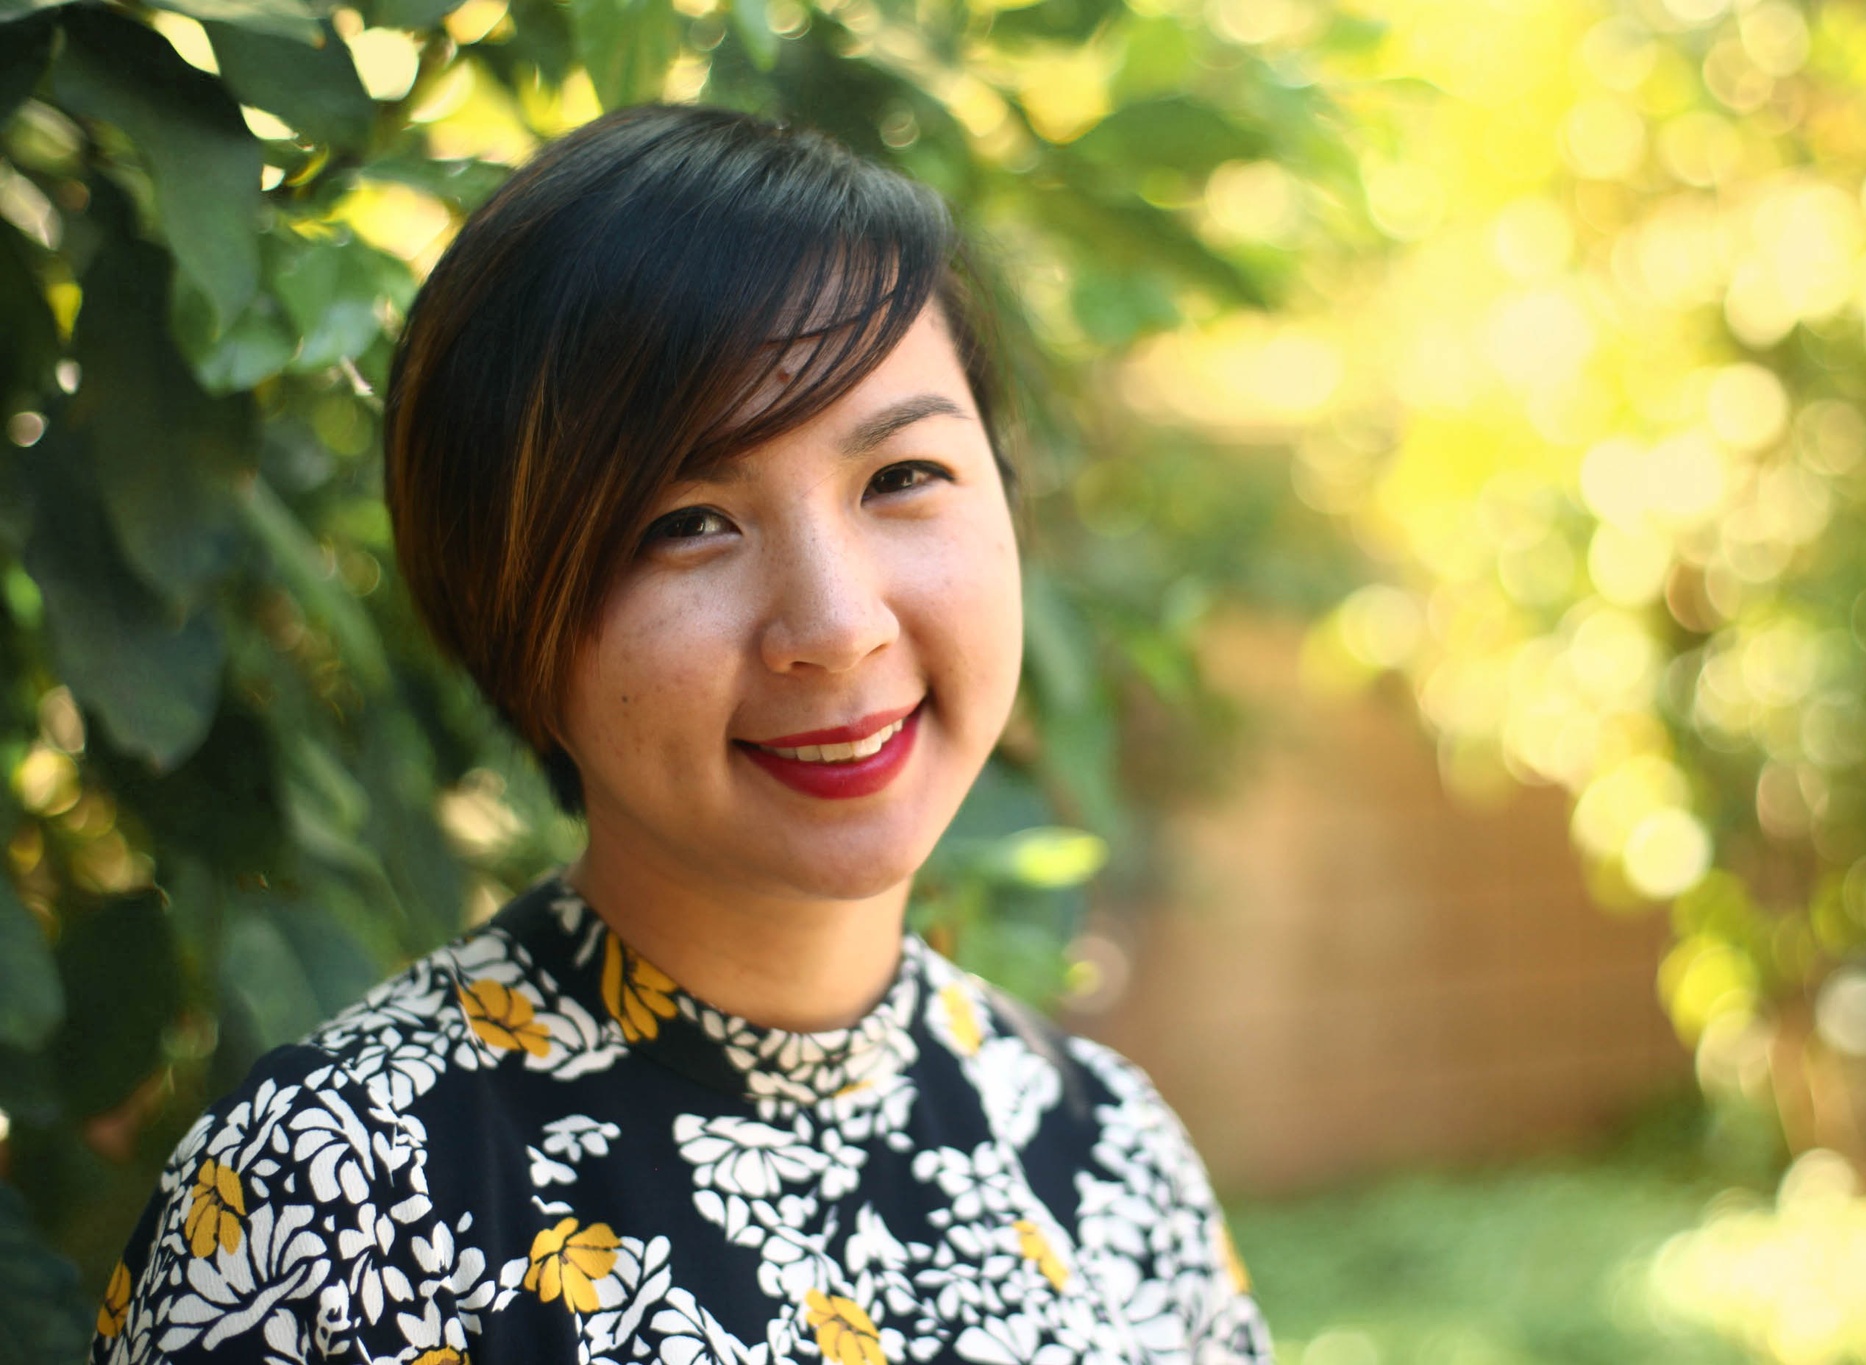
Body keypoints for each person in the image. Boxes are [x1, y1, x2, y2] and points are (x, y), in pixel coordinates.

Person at [89, 104, 1271, 1365]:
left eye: (899, 478)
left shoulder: (1100, 1154)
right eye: (686, 521)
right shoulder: (334, 1205)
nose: (833, 625)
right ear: (513, 613)